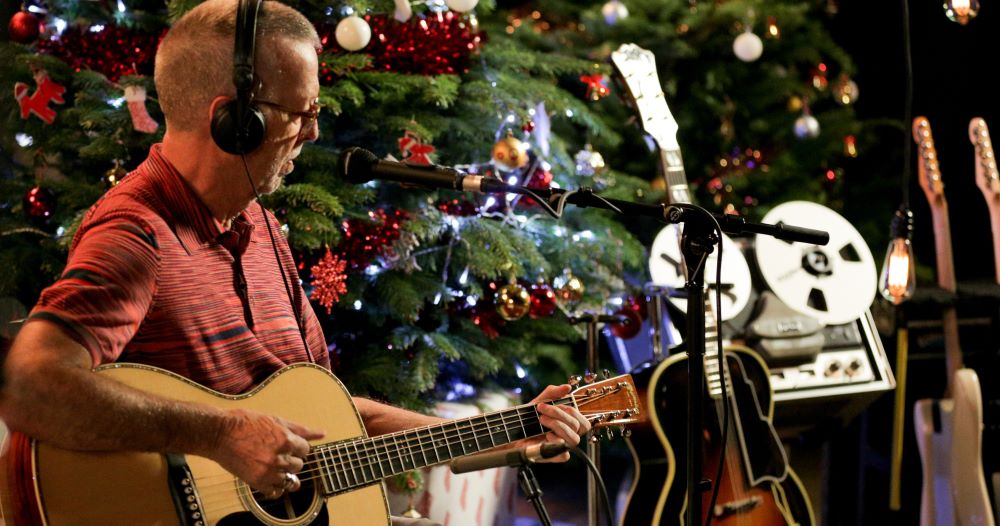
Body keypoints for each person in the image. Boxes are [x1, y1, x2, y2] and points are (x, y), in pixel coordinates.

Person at [0, 0, 590, 523]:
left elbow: (328, 420)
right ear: (234, 122)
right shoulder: (137, 233)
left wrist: (501, 434)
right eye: (301, 111)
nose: (312, 132)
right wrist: (221, 434)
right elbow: (30, 385)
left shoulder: (258, 226)